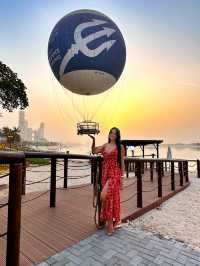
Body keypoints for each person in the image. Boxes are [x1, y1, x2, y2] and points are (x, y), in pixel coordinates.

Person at [89, 127, 125, 235]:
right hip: (105, 174)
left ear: (117, 136)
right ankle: (115, 221)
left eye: (115, 133)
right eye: (111, 133)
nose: (112, 135)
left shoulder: (120, 147)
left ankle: (110, 224)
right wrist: (93, 140)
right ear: (109, 134)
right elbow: (94, 151)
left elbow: (122, 162)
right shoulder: (105, 145)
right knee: (109, 198)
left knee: (105, 195)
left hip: (115, 173)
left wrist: (122, 178)